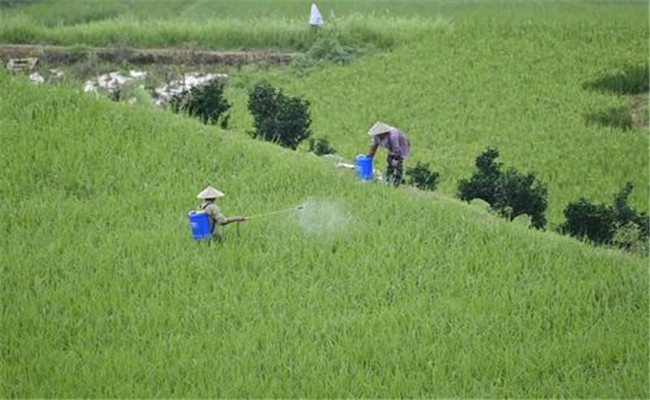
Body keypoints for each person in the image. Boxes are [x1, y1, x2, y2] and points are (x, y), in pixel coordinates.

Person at [367, 121, 411, 186]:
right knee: (389, 161)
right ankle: (389, 176)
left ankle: (398, 179)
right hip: (392, 148)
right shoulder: (376, 136)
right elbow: (374, 146)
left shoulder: (393, 135)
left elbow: (397, 148)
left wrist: (396, 158)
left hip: (401, 146)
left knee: (397, 163)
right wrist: (369, 158)